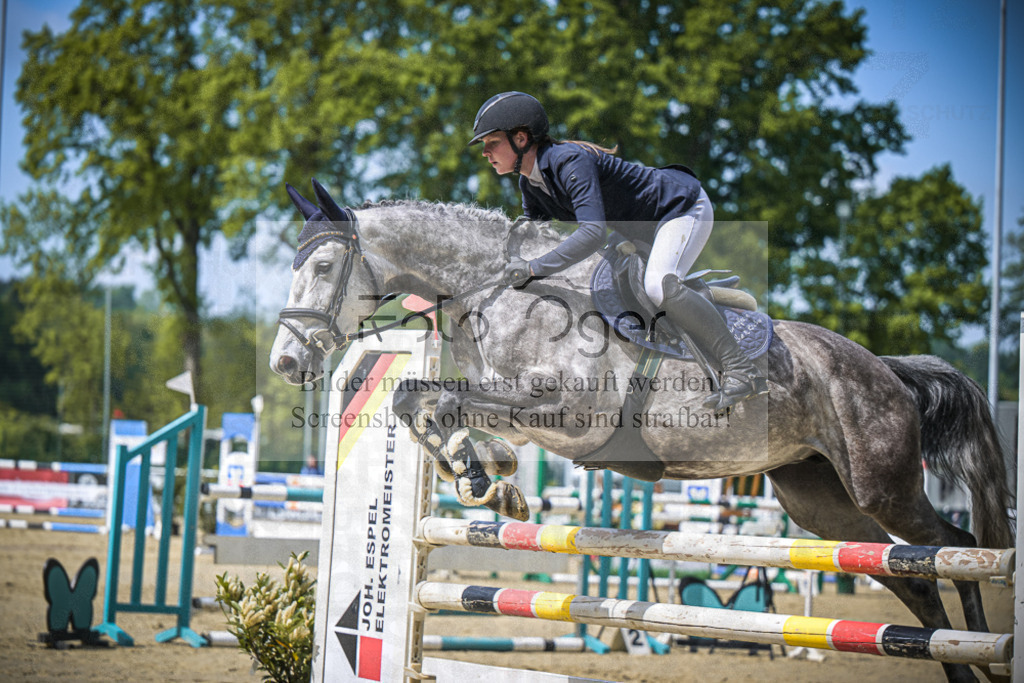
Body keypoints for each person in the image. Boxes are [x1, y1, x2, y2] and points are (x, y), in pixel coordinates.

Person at [469, 91, 768, 412]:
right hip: (640, 232)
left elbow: (593, 234)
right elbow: (532, 238)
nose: (485, 153)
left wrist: (532, 269)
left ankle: (741, 369)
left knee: (658, 285)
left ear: (521, 138)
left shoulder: (570, 161)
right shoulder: (530, 184)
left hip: (679, 209)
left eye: (492, 143)